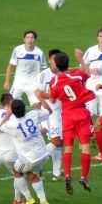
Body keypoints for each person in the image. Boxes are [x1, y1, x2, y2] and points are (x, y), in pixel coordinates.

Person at [36, 51, 95, 195]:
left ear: (56, 64)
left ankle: (67, 174)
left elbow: (53, 99)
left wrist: (42, 95)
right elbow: (88, 74)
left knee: (68, 148)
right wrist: (80, 59)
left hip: (67, 115)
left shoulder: (54, 81)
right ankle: (84, 177)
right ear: (68, 63)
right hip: (81, 113)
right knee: (85, 147)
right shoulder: (77, 74)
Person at [0, 99, 53, 204]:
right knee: (32, 175)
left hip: (30, 158)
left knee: (17, 171)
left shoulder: (12, 125)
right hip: (43, 153)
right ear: (24, 109)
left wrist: (8, 114)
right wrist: (41, 98)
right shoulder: (33, 114)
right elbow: (49, 111)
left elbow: (1, 127)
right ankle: (44, 202)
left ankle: (28, 198)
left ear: (13, 111)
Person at [75, 28, 102, 119]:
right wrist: (90, 70)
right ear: (97, 38)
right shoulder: (91, 51)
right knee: (88, 115)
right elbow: (81, 68)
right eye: (100, 36)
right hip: (92, 88)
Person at [38, 49, 63, 181]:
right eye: (53, 59)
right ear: (49, 60)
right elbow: (39, 93)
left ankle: (56, 174)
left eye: (58, 59)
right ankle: (36, 164)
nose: (56, 61)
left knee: (61, 142)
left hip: (62, 112)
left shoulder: (63, 73)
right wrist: (52, 96)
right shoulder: (44, 75)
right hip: (50, 113)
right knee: (55, 141)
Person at [4, 30, 47, 108]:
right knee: (11, 103)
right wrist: (7, 81)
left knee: (37, 105)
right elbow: (10, 66)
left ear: (35, 40)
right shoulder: (17, 50)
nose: (29, 40)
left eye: (32, 38)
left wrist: (43, 84)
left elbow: (44, 69)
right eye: (27, 37)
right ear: (24, 39)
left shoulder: (39, 53)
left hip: (33, 84)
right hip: (18, 83)